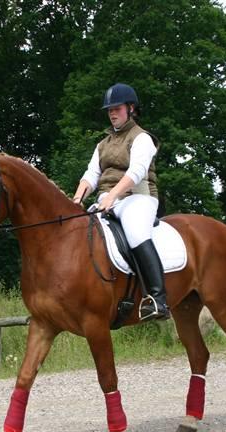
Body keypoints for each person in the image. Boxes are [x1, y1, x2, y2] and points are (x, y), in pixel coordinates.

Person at [72, 83, 169, 320]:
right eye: (109, 110)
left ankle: (157, 299)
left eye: (117, 108)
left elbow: (136, 172)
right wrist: (76, 200)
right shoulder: (102, 144)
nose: (112, 113)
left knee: (135, 232)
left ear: (131, 108)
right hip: (108, 200)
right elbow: (91, 175)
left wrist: (113, 196)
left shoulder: (142, 138)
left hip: (138, 198)